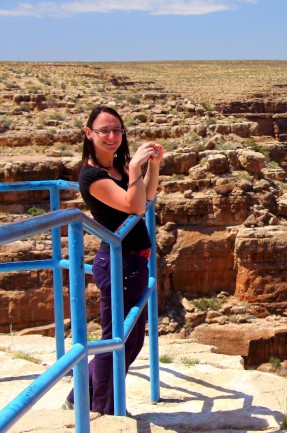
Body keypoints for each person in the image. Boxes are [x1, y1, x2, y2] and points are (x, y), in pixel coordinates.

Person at [63, 106, 163, 415]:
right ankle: (101, 410)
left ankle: (78, 397)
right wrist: (135, 169)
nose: (111, 136)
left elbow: (145, 199)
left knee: (129, 342)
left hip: (133, 263)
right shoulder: (92, 176)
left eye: (117, 130)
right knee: (114, 343)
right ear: (88, 133)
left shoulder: (117, 168)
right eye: (104, 130)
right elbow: (133, 208)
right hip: (119, 265)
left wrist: (152, 167)